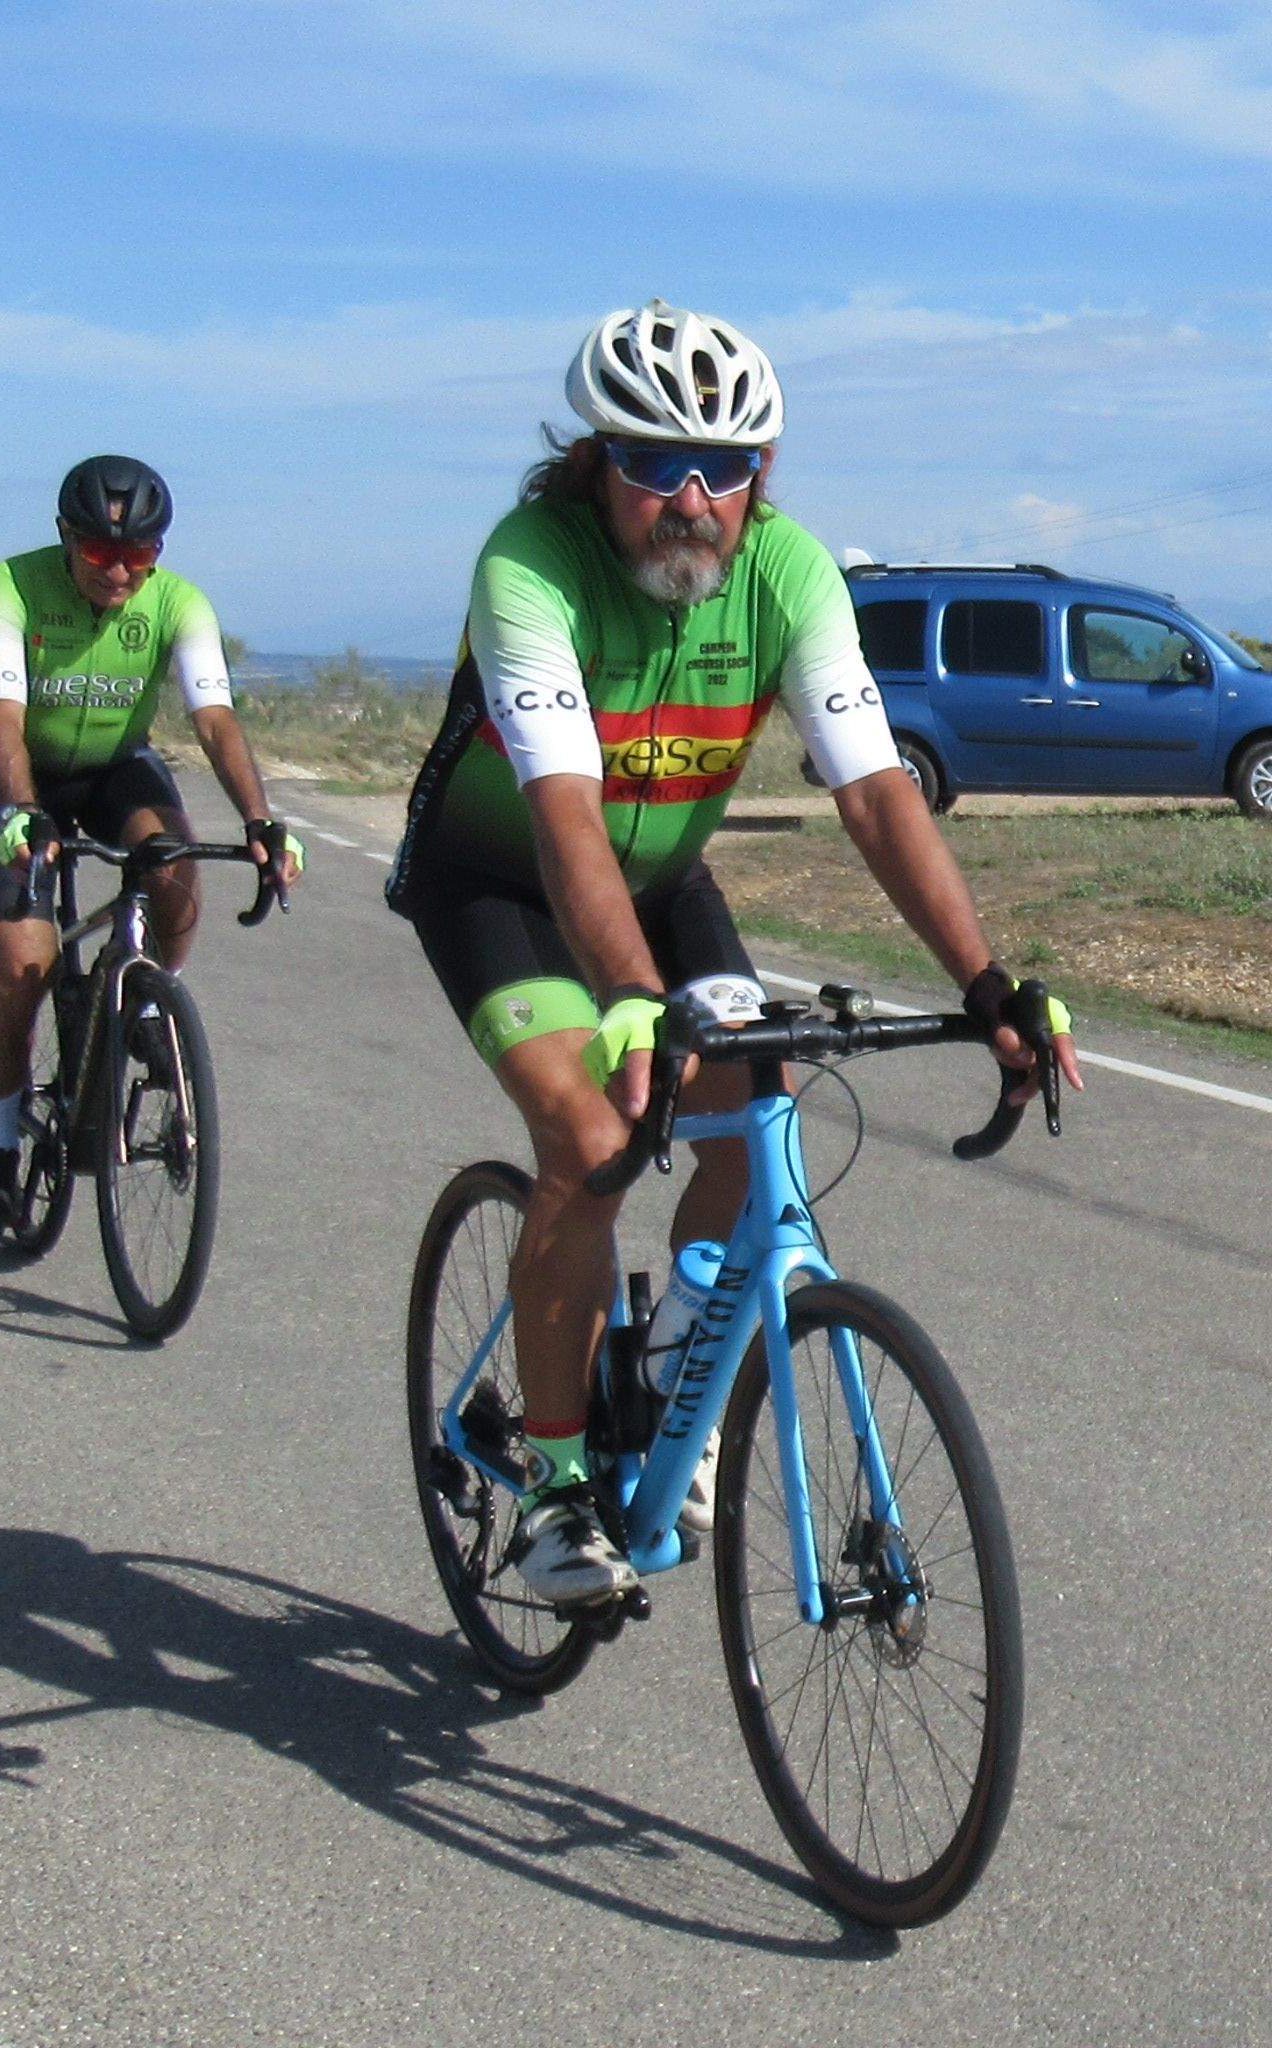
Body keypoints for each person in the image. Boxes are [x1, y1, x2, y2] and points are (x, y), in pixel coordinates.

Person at [388, 299, 1080, 1604]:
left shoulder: (790, 571)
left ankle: (665, 1380)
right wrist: (635, 1007)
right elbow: (563, 812)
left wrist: (985, 984)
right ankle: (547, 1487)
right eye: (655, 461)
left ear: (765, 474)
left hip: (659, 881)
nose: (692, 497)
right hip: (502, 879)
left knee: (753, 1100)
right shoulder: (528, 565)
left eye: (727, 467)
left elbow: (877, 794)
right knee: (592, 1144)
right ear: (600, 461)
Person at [0, 453, 302, 1234]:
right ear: (65, 539)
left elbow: (212, 719)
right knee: (25, 966)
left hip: (116, 767)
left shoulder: (181, 604)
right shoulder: (11, 586)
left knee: (177, 878)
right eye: (99, 553)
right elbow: (1, 717)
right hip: (23, 775)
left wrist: (259, 821)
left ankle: (147, 991)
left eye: (140, 556)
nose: (120, 573)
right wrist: (21, 810)